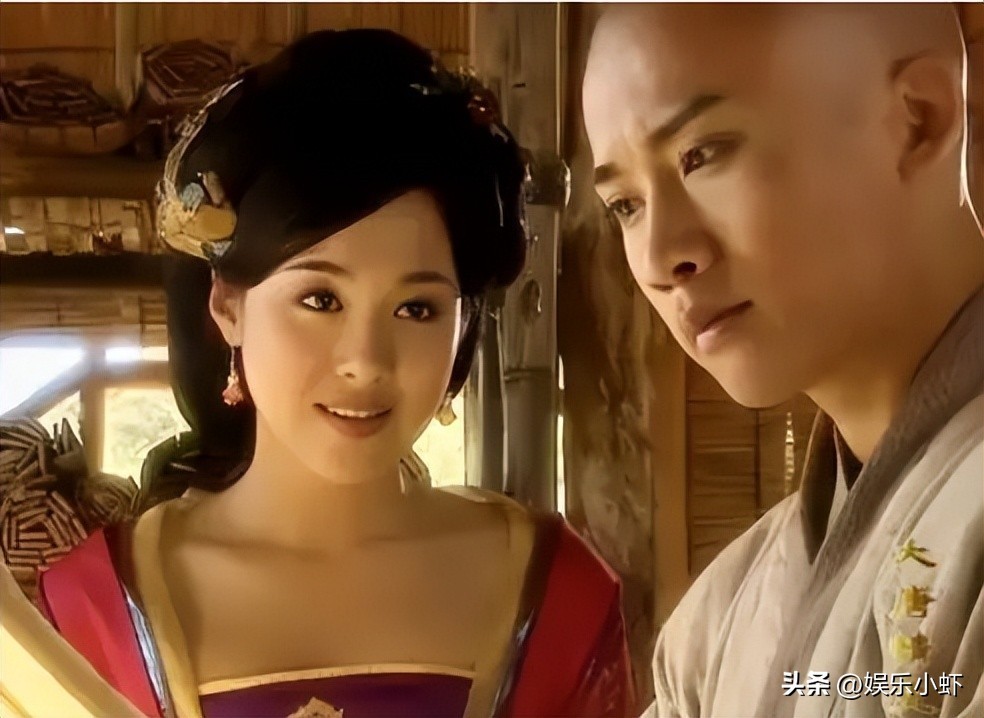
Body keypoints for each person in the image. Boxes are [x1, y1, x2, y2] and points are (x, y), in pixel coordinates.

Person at [2, 30, 634, 717]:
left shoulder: (557, 594)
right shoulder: (96, 608)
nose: (366, 360)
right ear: (228, 306)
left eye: (417, 308)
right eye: (321, 299)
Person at [581, 4, 982, 717]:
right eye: (625, 205)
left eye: (703, 154)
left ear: (919, 119)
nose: (660, 257)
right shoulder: (715, 625)